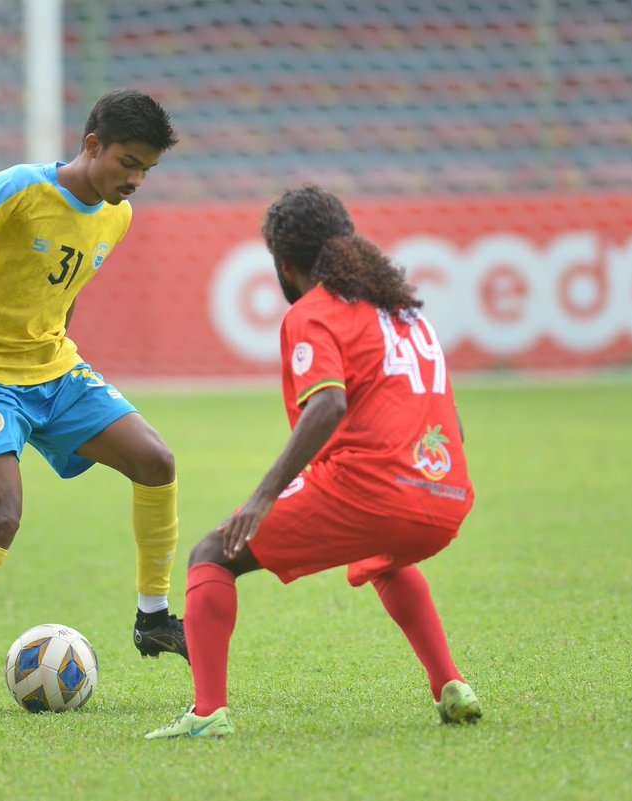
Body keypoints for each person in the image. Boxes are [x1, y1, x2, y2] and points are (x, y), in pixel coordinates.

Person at [145, 186, 483, 739]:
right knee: (384, 557)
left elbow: (328, 403)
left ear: (283, 262)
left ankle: (208, 715)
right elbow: (454, 421)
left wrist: (262, 497)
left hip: (376, 489)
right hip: (446, 496)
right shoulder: (404, 313)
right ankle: (451, 685)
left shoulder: (314, 313)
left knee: (213, 552)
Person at [0, 88, 185, 718]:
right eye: (127, 163)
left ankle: (154, 617)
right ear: (92, 145)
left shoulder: (116, 216)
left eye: (147, 169)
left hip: (55, 371)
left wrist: (58, 349)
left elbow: (63, 290)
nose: (136, 179)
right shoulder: (19, 186)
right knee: (1, 515)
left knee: (156, 461)